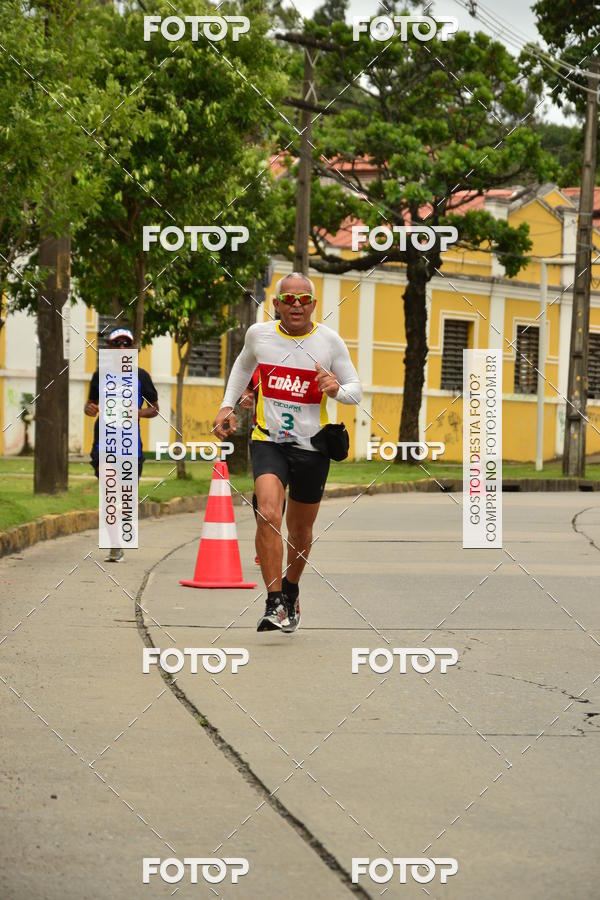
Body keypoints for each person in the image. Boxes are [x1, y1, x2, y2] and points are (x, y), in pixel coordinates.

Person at [213, 272, 362, 633]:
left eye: (304, 300)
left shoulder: (329, 342)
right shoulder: (259, 336)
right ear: (276, 304)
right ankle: (274, 601)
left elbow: (356, 390)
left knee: (300, 530)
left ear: (313, 305)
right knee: (267, 512)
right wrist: (226, 405)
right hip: (269, 441)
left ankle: (292, 588)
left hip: (313, 448)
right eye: (289, 299)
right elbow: (242, 366)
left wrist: (335, 389)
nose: (297, 306)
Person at [84, 327, 159, 562]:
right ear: (109, 348)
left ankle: (121, 535)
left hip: (130, 448)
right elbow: (90, 405)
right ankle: (115, 545)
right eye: (117, 344)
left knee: (125, 498)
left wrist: (139, 412)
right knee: (109, 495)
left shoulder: (141, 376)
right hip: (104, 446)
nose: (122, 349)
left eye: (127, 344)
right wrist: (90, 409)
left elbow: (155, 408)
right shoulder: (100, 375)